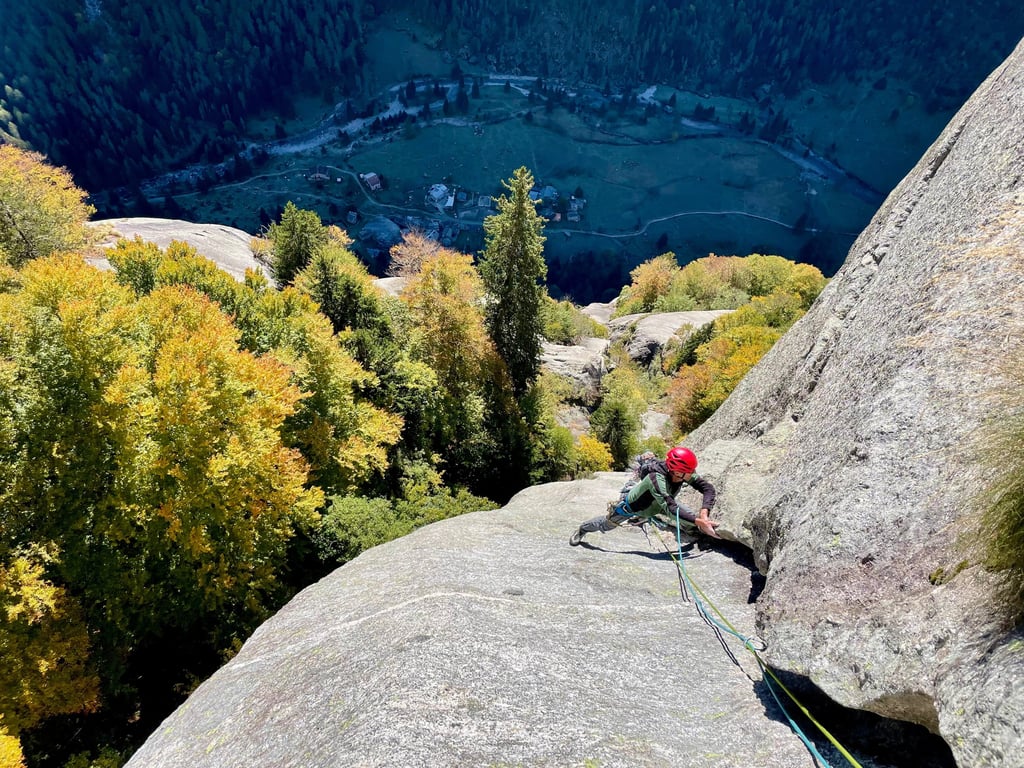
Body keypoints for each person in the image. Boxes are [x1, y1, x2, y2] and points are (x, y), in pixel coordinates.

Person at [569, 446, 720, 547]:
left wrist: (703, 514)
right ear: (675, 470)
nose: (690, 476)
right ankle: (583, 529)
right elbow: (669, 507)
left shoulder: (683, 472)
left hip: (659, 505)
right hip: (633, 507)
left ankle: (699, 536)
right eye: (687, 473)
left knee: (691, 519)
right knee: (606, 524)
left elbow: (707, 488)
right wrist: (698, 521)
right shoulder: (656, 478)